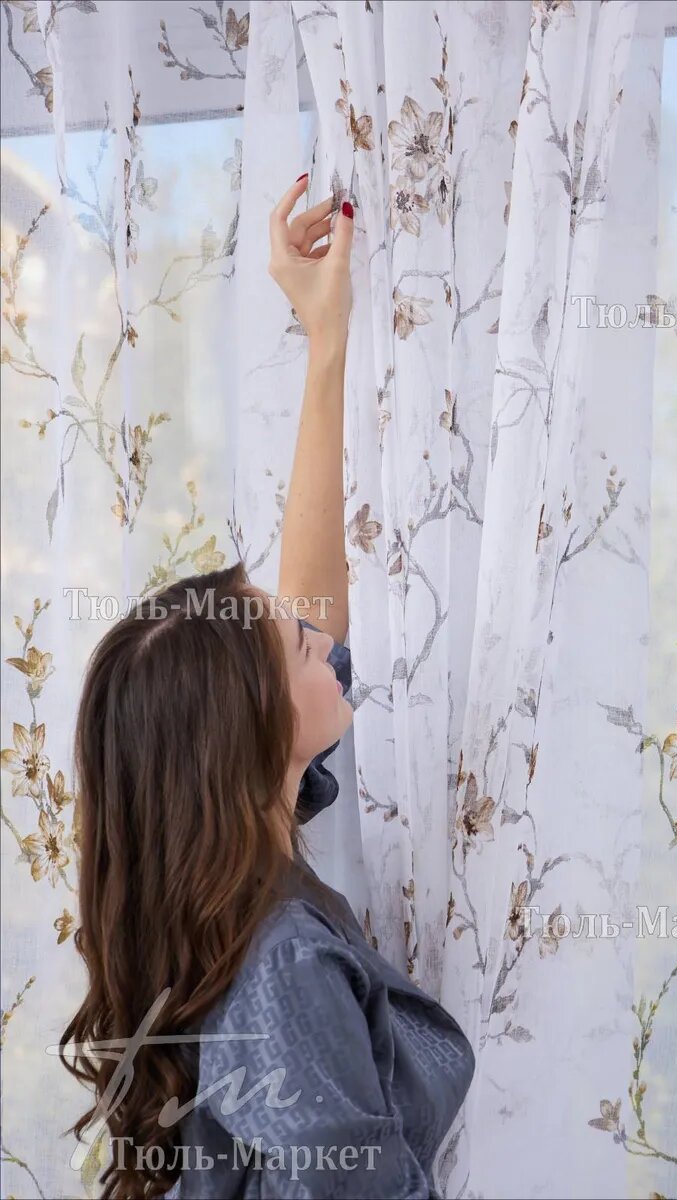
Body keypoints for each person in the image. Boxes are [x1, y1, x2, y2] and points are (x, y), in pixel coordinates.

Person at [59, 177, 475, 1199]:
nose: (315, 634)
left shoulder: (246, 893)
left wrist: (326, 341)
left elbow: (314, 607)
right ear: (246, 737)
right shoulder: (281, 957)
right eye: (290, 645)